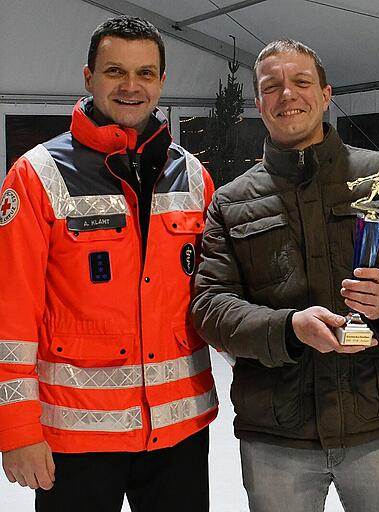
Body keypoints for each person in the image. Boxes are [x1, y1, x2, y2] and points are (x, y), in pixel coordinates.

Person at [191, 39, 379, 512]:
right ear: (258, 102)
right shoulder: (232, 201)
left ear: (326, 93)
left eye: (300, 82)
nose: (286, 95)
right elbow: (211, 306)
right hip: (278, 433)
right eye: (271, 87)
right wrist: (287, 329)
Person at [0, 16, 217, 512]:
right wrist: (16, 429)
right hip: (76, 435)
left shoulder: (193, 175)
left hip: (179, 430)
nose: (130, 86)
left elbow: (216, 294)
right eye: (115, 71)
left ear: (162, 82)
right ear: (88, 77)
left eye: (145, 73)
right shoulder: (36, 176)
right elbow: (10, 313)